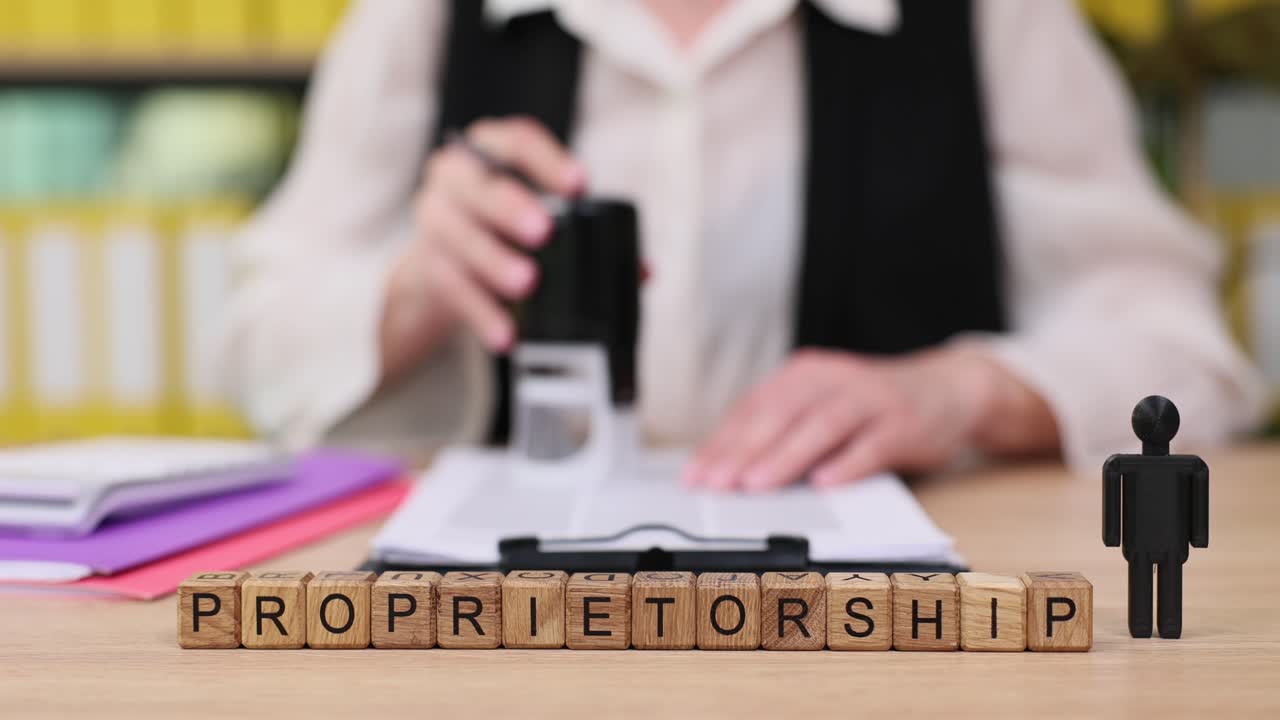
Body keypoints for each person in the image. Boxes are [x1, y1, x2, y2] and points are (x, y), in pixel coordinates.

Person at [221, 0, 1266, 490]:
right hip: (499, 643)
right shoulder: (425, 18)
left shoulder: (990, 16)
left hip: (904, 651)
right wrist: (415, 289)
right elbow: (254, 355)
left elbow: (1183, 361)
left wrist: (960, 392)